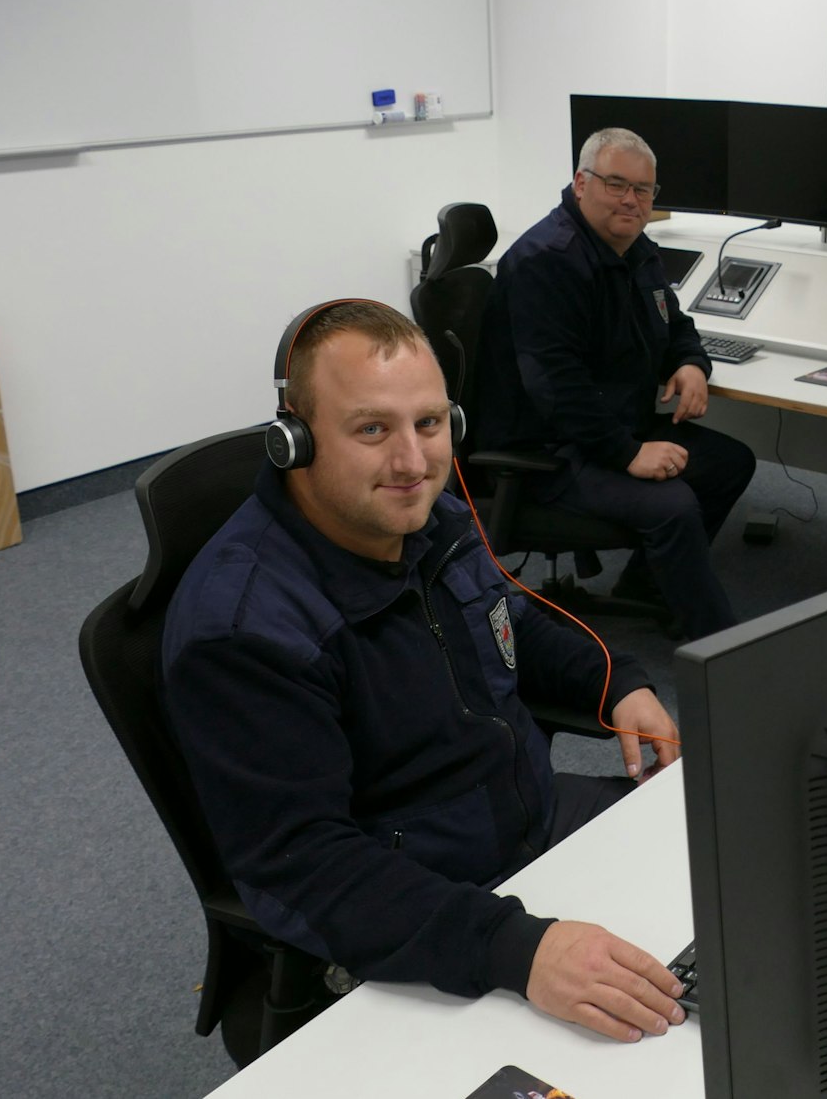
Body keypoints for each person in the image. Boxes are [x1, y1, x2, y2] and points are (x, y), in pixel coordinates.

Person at [162, 299, 688, 1048]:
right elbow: (308, 867)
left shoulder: (429, 521)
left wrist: (618, 681)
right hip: (425, 903)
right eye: (372, 429)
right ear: (294, 439)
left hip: (527, 823)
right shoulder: (247, 630)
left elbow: (511, 621)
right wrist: (520, 949)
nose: (414, 463)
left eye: (431, 423)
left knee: (731, 862)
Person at [476, 126, 757, 640]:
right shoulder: (547, 262)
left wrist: (691, 363)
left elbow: (675, 324)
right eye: (616, 184)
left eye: (643, 189)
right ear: (581, 183)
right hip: (549, 451)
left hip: (608, 428)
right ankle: (720, 650)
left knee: (729, 462)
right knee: (673, 507)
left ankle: (647, 589)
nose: (631, 199)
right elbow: (556, 388)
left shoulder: (634, 248)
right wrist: (628, 453)